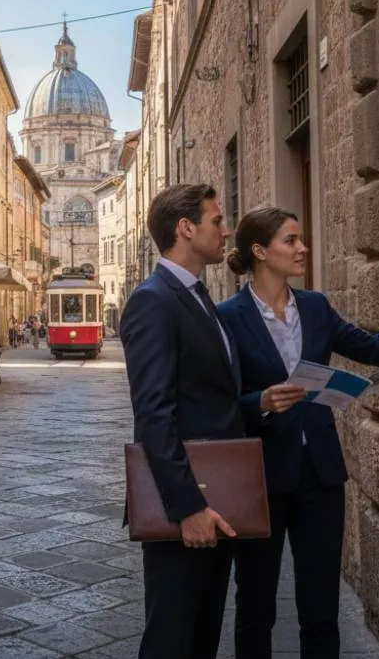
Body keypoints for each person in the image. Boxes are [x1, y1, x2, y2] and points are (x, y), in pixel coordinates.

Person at [216, 206, 379, 659]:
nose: (302, 248)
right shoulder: (227, 317)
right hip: (258, 481)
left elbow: (375, 349)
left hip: (320, 478)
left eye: (301, 239)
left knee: (320, 609)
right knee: (255, 608)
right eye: (291, 240)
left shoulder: (315, 307)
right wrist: (260, 403)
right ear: (259, 251)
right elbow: (217, 404)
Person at [119, 184, 245, 659]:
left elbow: (209, 396)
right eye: (217, 220)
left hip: (215, 498)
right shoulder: (154, 299)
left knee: (201, 636)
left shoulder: (195, 295)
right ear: (186, 228)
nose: (226, 229)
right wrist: (187, 506)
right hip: (188, 503)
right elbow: (154, 414)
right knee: (172, 638)